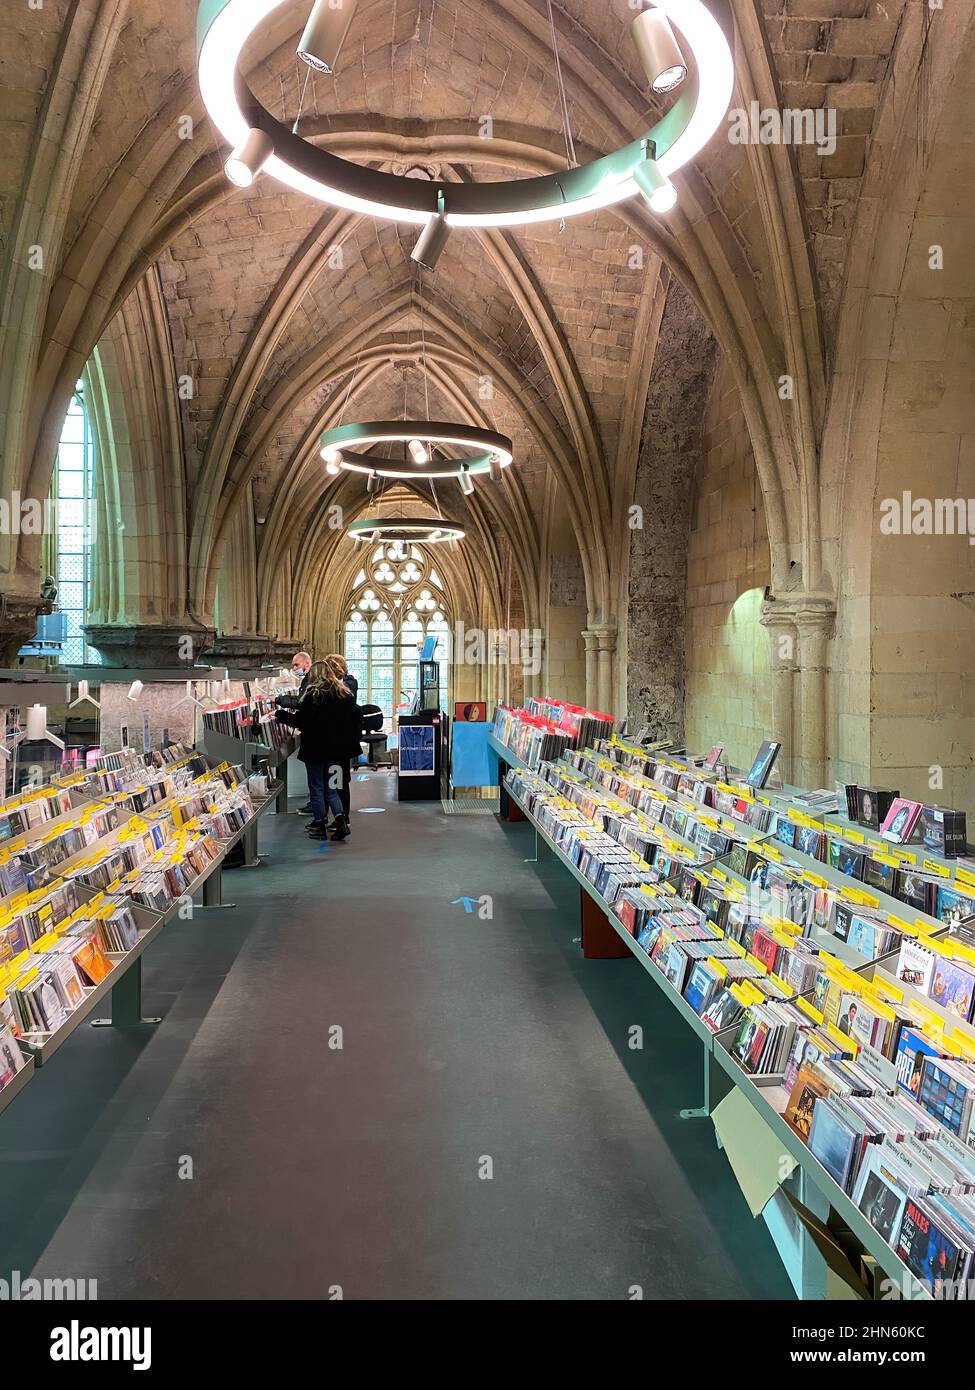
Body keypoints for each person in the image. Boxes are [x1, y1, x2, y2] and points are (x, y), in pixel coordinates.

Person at [275, 658, 361, 842]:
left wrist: (281, 716)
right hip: (336, 751)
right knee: (332, 787)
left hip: (315, 749)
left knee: (316, 787)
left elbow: (302, 722)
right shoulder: (345, 695)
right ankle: (340, 820)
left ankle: (319, 823)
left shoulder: (313, 696)